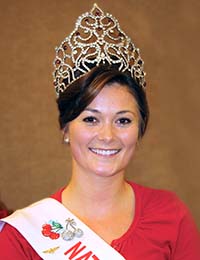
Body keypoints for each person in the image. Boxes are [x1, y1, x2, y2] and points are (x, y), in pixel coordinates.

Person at [0, 4, 199, 260]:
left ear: (140, 130)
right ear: (65, 128)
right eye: (91, 119)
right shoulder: (22, 238)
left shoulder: (171, 215)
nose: (107, 136)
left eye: (123, 121)